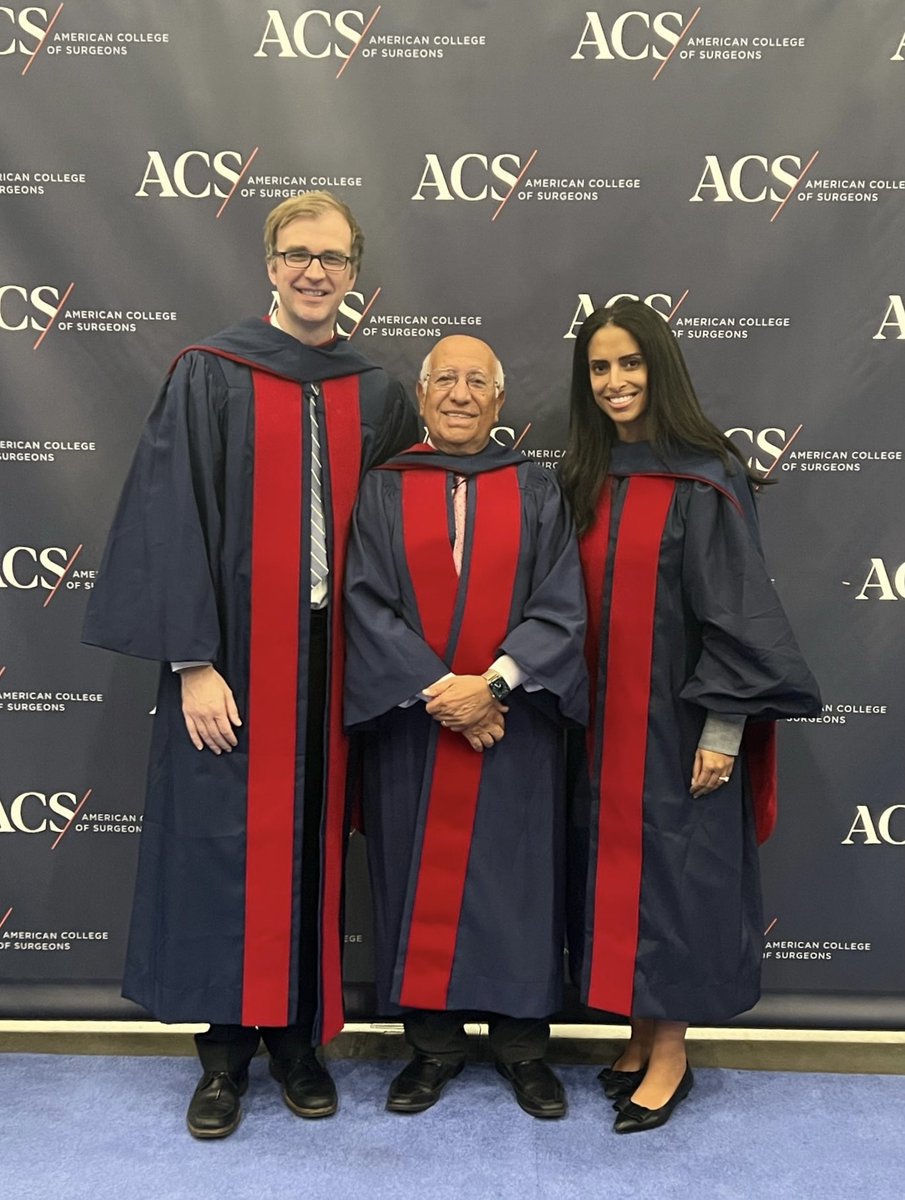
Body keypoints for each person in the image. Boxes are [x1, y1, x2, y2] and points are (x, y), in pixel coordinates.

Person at [83, 191, 418, 1138]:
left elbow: (399, 541)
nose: (317, 272)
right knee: (225, 852)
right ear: (270, 265)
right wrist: (193, 661)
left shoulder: (377, 394)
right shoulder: (208, 373)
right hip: (230, 656)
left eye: (336, 258)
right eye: (299, 254)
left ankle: (300, 1045)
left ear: (355, 274)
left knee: (311, 843)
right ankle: (224, 1059)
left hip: (333, 661)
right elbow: (169, 519)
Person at [561, 299, 821, 1134]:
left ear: (659, 368)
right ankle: (637, 1035)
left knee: (676, 880)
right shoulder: (585, 478)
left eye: (629, 364)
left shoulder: (706, 476)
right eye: (599, 368)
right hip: (598, 726)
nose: (614, 382)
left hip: (678, 723)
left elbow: (737, 614)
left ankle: (670, 1051)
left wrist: (722, 729)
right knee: (618, 877)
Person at [343, 335, 587, 1119]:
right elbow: (364, 600)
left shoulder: (538, 487)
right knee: (416, 874)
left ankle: (522, 1049)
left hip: (513, 721)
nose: (458, 393)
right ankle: (432, 1046)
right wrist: (437, 688)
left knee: (518, 881)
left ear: (498, 400)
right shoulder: (381, 489)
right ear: (420, 397)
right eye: (444, 379)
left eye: (476, 381)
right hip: (415, 726)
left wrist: (491, 684)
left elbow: (561, 602)